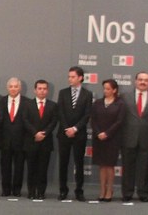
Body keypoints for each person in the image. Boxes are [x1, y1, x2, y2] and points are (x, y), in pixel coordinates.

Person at [121, 71, 148, 203]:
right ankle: (127, 193)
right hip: (128, 137)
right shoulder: (124, 97)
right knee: (127, 167)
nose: (143, 82)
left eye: (146, 80)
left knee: (144, 168)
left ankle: (143, 193)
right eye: (140, 80)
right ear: (135, 81)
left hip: (147, 138)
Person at [56, 66, 92, 201]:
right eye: (69, 76)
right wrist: (67, 129)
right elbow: (60, 112)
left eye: (73, 77)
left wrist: (75, 129)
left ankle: (79, 190)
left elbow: (87, 114)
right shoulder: (63, 92)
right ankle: (63, 190)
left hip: (79, 134)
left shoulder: (87, 94)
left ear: (80, 78)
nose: (70, 79)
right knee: (63, 163)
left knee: (79, 163)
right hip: (64, 134)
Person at [89, 79, 125, 202]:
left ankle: (110, 190)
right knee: (102, 165)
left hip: (112, 138)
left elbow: (119, 121)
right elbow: (93, 120)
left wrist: (107, 133)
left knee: (109, 165)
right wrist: (98, 133)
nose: (105, 91)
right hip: (99, 138)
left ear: (114, 90)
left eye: (108, 89)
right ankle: (102, 190)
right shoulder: (98, 103)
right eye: (104, 88)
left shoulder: (120, 103)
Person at [0, 77, 32, 198]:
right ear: (7, 88)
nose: (13, 89)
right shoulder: (1, 101)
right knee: (5, 167)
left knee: (19, 167)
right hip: (5, 141)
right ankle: (5, 189)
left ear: (20, 88)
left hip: (21, 140)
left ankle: (17, 189)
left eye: (16, 86)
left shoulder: (27, 102)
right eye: (11, 86)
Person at [25, 80, 58, 200]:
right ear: (35, 90)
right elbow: (25, 121)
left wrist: (44, 133)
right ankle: (31, 191)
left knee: (43, 169)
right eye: (39, 88)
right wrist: (35, 133)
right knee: (31, 168)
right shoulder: (28, 104)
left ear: (47, 91)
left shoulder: (52, 105)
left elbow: (53, 122)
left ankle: (41, 192)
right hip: (31, 141)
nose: (42, 91)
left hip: (46, 141)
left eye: (44, 89)